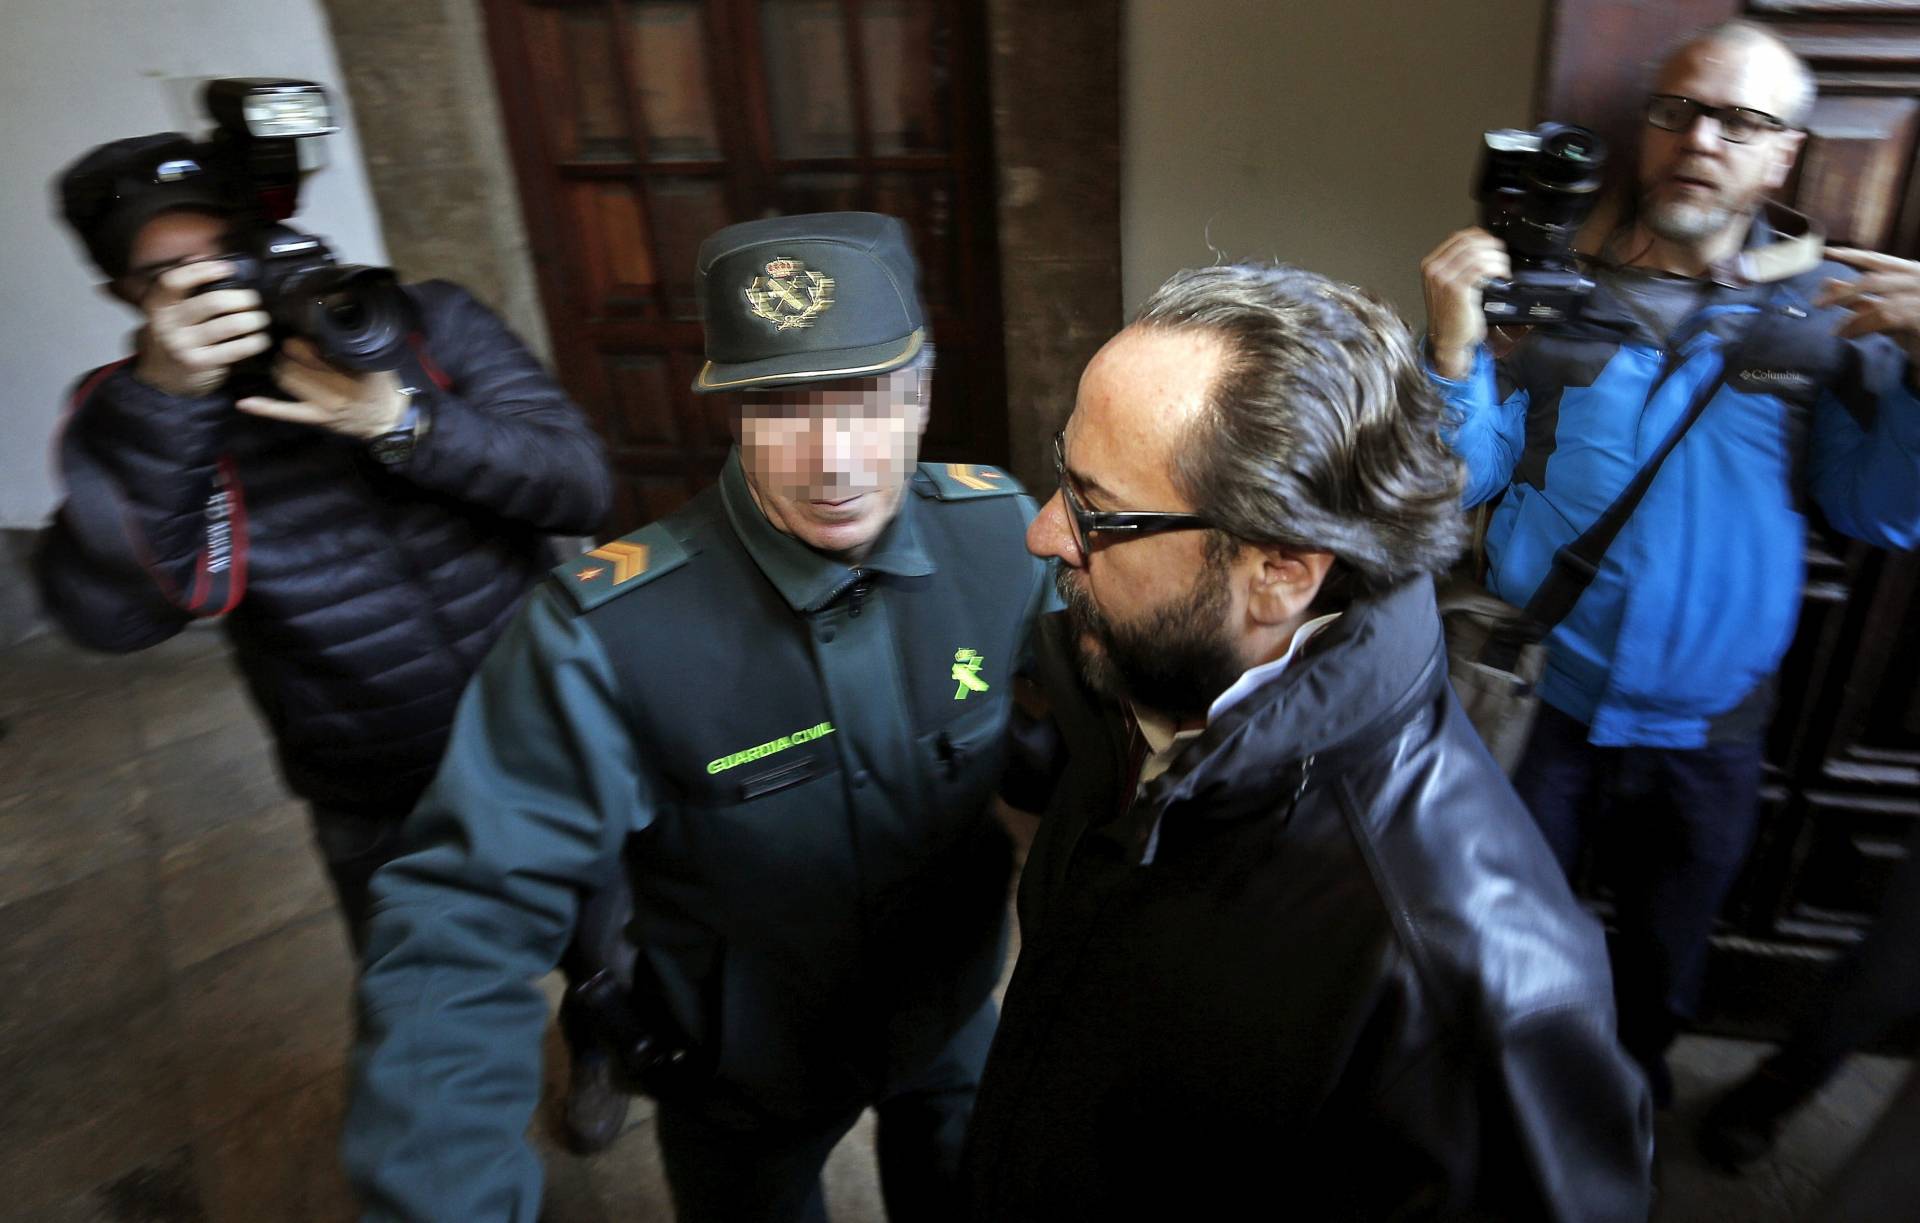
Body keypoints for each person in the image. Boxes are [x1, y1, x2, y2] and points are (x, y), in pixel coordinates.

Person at [343, 212, 1050, 1222]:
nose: (833, 460)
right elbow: (464, 917)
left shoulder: (996, 534)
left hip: (947, 1016)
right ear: (730, 415)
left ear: (923, 393)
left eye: (865, 399)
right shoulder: (608, 632)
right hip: (739, 1070)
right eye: (781, 409)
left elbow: (1100, 713)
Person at [963, 261, 1653, 1222]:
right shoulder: (1140, 677)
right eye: (1059, 471)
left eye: (1095, 508)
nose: (1045, 535)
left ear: (1281, 570)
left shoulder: (1465, 980)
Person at [43, 129, 622, 1144]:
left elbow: (580, 482)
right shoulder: (137, 418)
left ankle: (605, 1044)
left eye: (222, 253)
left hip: (552, 729)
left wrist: (404, 420)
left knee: (614, 940)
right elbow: (117, 618)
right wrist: (168, 410)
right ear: (129, 302)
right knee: (433, 1013)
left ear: (270, 237)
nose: (210, 288)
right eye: (167, 278)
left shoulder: (425, 322)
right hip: (374, 778)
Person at [1420, 19, 1920, 1101]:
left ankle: (1631, 1111)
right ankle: (1514, 1122)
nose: (1702, 137)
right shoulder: (1549, 295)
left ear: (1785, 153)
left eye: (1742, 121)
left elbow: (1877, 512)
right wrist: (1453, 349)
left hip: (1714, 728)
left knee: (1659, 963)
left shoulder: (1831, 312)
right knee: (1505, 949)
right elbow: (1455, 480)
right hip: (1540, 703)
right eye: (1679, 109)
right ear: (1645, 130)